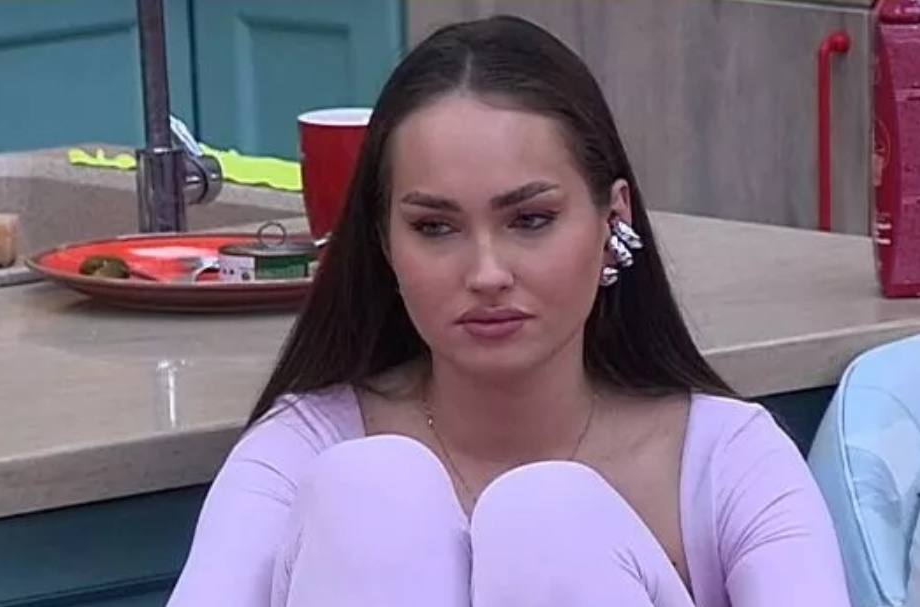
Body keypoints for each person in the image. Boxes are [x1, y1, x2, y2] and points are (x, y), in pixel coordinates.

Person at [165, 15, 851, 607]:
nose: (487, 274)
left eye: (530, 219)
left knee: (549, 522)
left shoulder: (730, 460)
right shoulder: (300, 452)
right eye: (436, 227)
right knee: (370, 494)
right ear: (384, 242)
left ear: (612, 218)